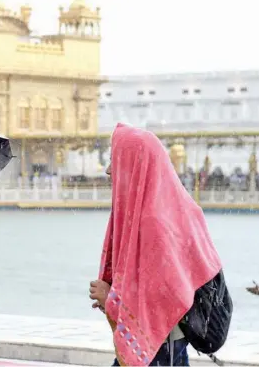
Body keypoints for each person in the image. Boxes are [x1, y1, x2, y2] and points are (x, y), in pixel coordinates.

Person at [89, 123, 222, 366]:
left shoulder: (152, 223)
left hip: (160, 345)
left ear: (135, 165)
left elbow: (163, 298)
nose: (109, 170)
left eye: (115, 161)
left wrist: (111, 298)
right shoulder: (173, 207)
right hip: (172, 342)